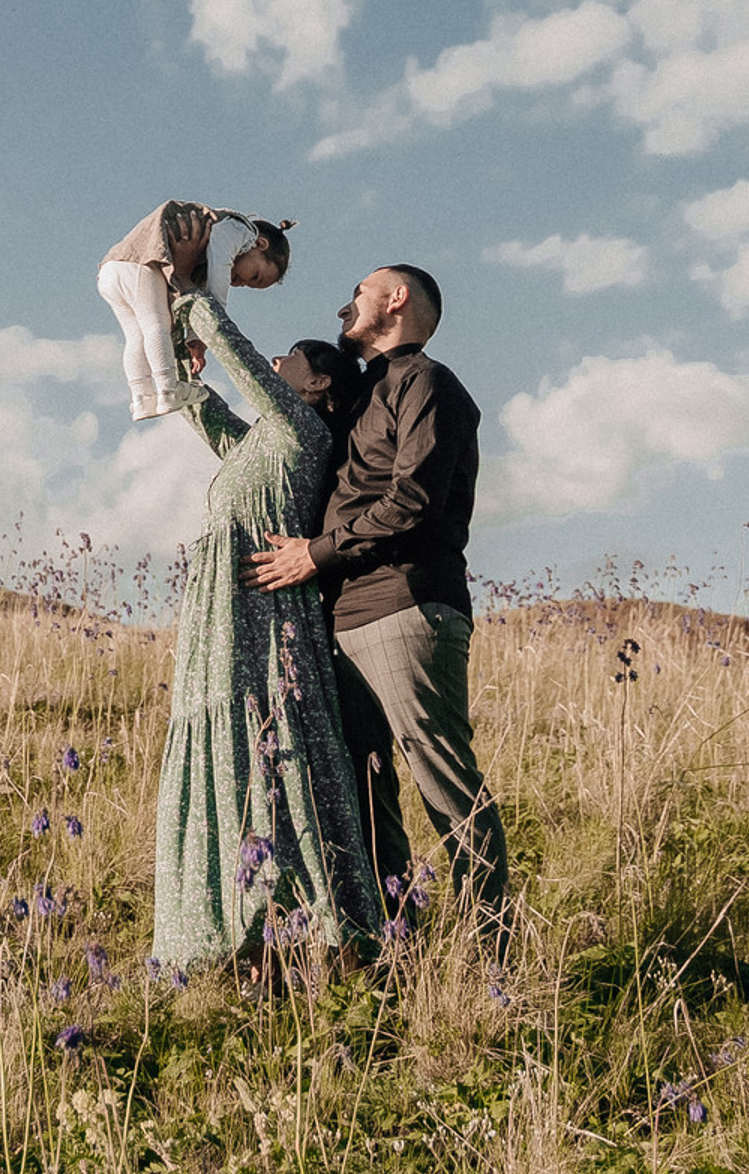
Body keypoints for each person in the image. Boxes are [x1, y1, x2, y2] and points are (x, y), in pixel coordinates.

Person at [242, 264, 511, 938]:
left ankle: (494, 950)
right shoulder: (364, 395)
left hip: (405, 607)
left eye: (359, 292)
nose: (345, 304)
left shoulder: (429, 384)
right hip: (344, 616)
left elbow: (413, 502)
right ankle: (402, 940)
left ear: (396, 300)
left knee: (444, 782)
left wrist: (316, 553)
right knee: (366, 787)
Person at [150, 225, 381, 975]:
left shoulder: (303, 434)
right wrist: (179, 363)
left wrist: (195, 302)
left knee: (272, 749)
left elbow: (244, 366)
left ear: (314, 387)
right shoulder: (265, 444)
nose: (276, 365)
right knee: (226, 746)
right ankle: (223, 934)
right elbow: (205, 410)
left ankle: (327, 929)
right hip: (223, 625)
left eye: (291, 362)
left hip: (258, 623)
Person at [99, 201, 291, 422]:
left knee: (136, 337)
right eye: (255, 276)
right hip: (140, 264)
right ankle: (168, 388)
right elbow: (218, 272)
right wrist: (214, 318)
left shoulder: (202, 264)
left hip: (111, 271)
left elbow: (190, 298)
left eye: (251, 286)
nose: (244, 283)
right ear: (260, 244)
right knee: (156, 325)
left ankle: (141, 398)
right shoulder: (238, 230)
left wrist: (195, 341)